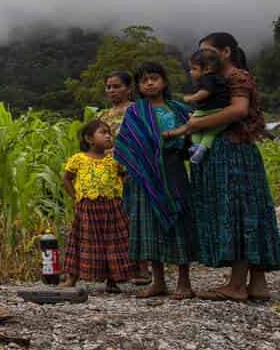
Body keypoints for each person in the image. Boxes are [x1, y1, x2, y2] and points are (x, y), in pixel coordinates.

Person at [164, 33, 279, 302]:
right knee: (250, 210)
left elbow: (238, 110)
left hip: (230, 150)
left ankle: (237, 285)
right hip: (236, 150)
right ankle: (257, 283)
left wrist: (195, 125)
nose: (204, 58)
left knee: (236, 211)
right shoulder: (220, 81)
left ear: (225, 52)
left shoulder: (235, 78)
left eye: (208, 52)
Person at [113, 62, 198, 299]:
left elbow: (192, 138)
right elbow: (127, 144)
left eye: (154, 78)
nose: (149, 83)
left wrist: (182, 142)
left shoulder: (178, 110)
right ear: (138, 87)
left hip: (173, 172)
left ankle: (184, 281)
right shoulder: (135, 112)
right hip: (143, 176)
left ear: (165, 82)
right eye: (144, 80)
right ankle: (158, 280)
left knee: (179, 222)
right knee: (149, 225)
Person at [61, 120, 133, 292]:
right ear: (89, 138)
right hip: (87, 208)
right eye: (103, 132)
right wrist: (76, 197)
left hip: (112, 208)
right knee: (81, 242)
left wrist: (118, 189)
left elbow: (126, 175)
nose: (108, 135)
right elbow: (66, 178)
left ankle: (113, 281)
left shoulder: (114, 159)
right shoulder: (78, 159)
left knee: (114, 243)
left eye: (109, 132)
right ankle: (72, 278)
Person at [98, 71, 151, 285]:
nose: (112, 90)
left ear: (129, 89)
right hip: (109, 172)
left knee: (135, 216)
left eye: (116, 86)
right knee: (115, 219)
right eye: (109, 87)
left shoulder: (137, 110)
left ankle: (142, 267)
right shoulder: (103, 116)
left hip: (132, 169)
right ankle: (119, 268)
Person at [182, 48, 230, 164]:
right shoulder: (219, 78)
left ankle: (196, 145)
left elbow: (205, 93)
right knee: (210, 132)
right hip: (220, 110)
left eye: (194, 69)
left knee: (193, 126)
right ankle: (202, 148)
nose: (190, 72)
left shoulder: (207, 78)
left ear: (207, 69)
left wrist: (191, 98)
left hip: (207, 110)